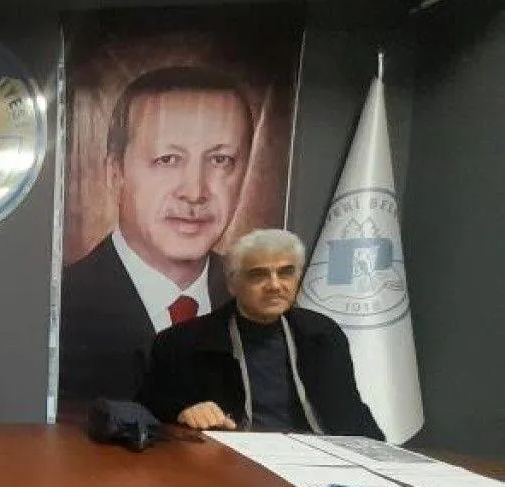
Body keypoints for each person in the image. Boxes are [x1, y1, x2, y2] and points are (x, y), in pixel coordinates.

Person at [60, 66, 253, 407]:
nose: (195, 192)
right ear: (116, 174)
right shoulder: (61, 305)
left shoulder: (259, 300)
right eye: (168, 159)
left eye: (220, 160)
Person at [137, 229, 383, 440]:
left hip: (320, 455)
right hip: (234, 460)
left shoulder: (323, 334)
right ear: (233, 284)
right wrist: (185, 411)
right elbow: (152, 407)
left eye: (286, 272)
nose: (275, 285)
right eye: (259, 275)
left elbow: (349, 410)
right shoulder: (184, 343)